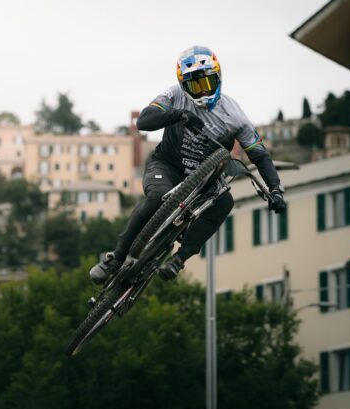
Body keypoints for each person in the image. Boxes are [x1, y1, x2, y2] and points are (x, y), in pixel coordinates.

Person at [90, 45, 286, 284]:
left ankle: (179, 259)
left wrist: (275, 189)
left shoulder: (235, 116)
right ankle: (116, 257)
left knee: (225, 202)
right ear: (184, 86)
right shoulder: (175, 95)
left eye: (208, 82)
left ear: (219, 77)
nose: (203, 91)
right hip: (167, 165)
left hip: (204, 178)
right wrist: (178, 115)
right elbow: (144, 121)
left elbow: (260, 155)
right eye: (195, 86)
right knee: (156, 198)